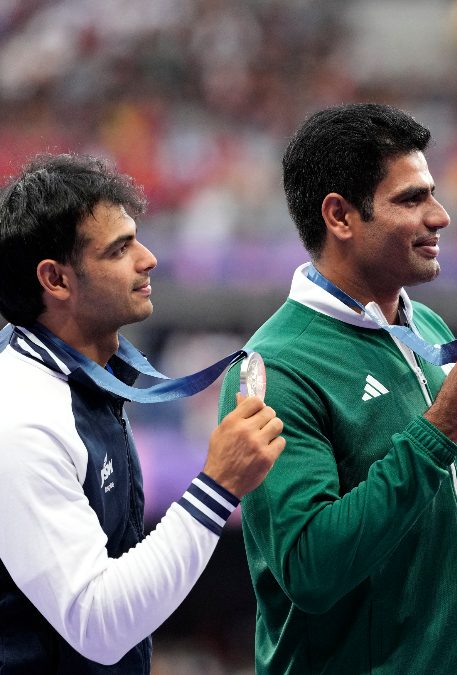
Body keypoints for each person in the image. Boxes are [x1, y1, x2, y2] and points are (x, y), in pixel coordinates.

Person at [217, 102, 457, 674]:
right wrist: (442, 426)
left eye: (433, 194)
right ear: (340, 216)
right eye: (411, 199)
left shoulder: (427, 328)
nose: (441, 216)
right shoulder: (274, 369)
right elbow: (310, 569)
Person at [0, 154, 286, 673]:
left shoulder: (77, 373)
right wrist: (218, 487)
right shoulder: (21, 420)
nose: (149, 258)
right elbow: (97, 625)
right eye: (120, 249)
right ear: (56, 279)